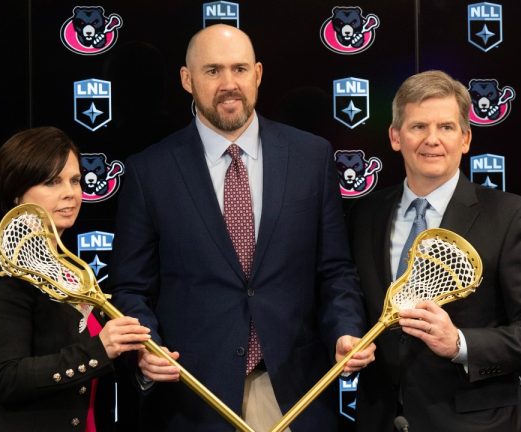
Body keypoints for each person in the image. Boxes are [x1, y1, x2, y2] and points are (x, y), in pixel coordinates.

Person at [109, 24, 375, 432]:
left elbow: (335, 270)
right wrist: (147, 350)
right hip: (193, 398)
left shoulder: (311, 156)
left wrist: (345, 331)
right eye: (212, 71)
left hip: (294, 394)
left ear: (259, 74)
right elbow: (131, 287)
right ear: (187, 79)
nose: (229, 84)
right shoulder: (150, 172)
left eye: (239, 69)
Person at [347, 70, 521, 431]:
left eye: (446, 127)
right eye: (418, 126)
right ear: (395, 136)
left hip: (474, 422)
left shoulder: (511, 217)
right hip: (379, 420)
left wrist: (459, 343)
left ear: (465, 139)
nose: (432, 140)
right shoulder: (364, 214)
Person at [0, 127, 152, 431]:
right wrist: (100, 348)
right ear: (16, 192)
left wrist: (142, 359)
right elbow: (7, 380)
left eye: (74, 180)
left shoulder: (67, 269)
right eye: (51, 182)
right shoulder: (2, 273)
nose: (70, 193)